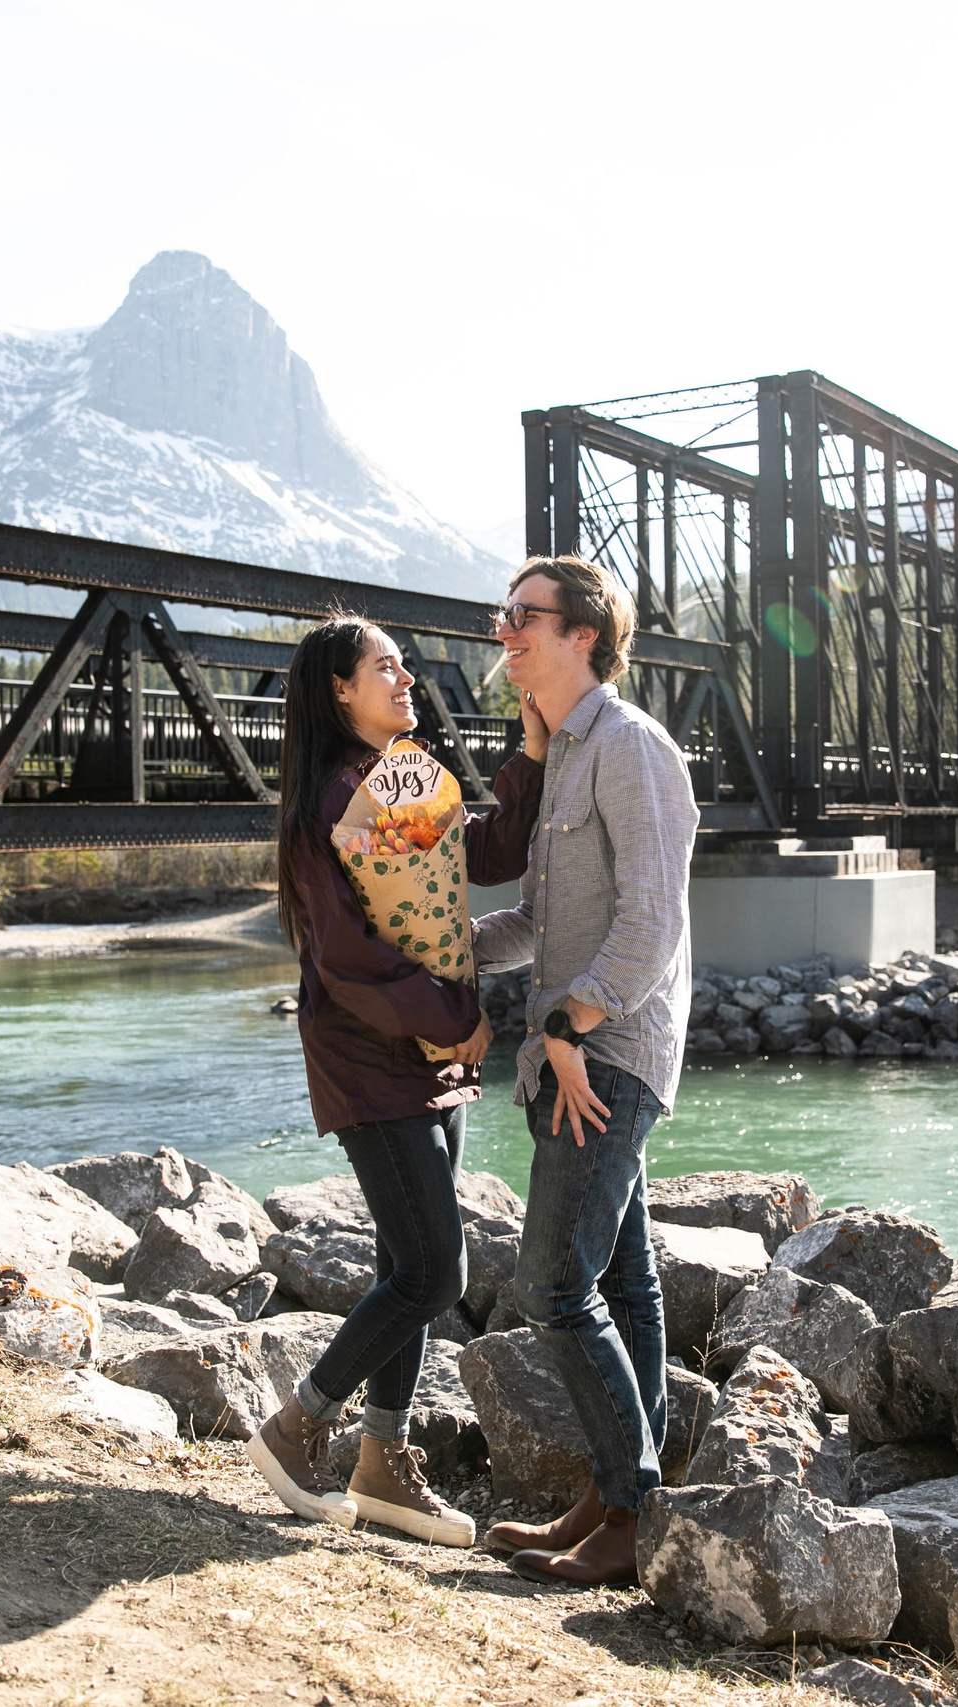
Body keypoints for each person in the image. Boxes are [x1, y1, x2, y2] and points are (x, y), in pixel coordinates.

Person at [245, 615, 547, 1545]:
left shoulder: (399, 779)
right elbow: (348, 958)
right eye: (387, 666)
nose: (407, 677)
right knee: (434, 1270)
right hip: (372, 1055)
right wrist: (457, 1016)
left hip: (428, 1054)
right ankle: (298, 1426)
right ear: (340, 689)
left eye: (404, 664)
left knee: (401, 1261)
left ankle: (383, 1462)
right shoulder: (332, 801)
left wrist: (531, 759)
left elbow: (480, 859)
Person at [471, 555, 700, 1589]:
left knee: (553, 1284)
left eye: (526, 614)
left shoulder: (631, 746)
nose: (505, 631)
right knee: (622, 1282)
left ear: (584, 635)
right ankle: (614, 1503)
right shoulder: (563, 754)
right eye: (503, 613)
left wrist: (570, 1021)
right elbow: (536, 921)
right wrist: (433, 947)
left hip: (604, 1055)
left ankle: (631, 1503)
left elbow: (652, 922)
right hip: (575, 1050)